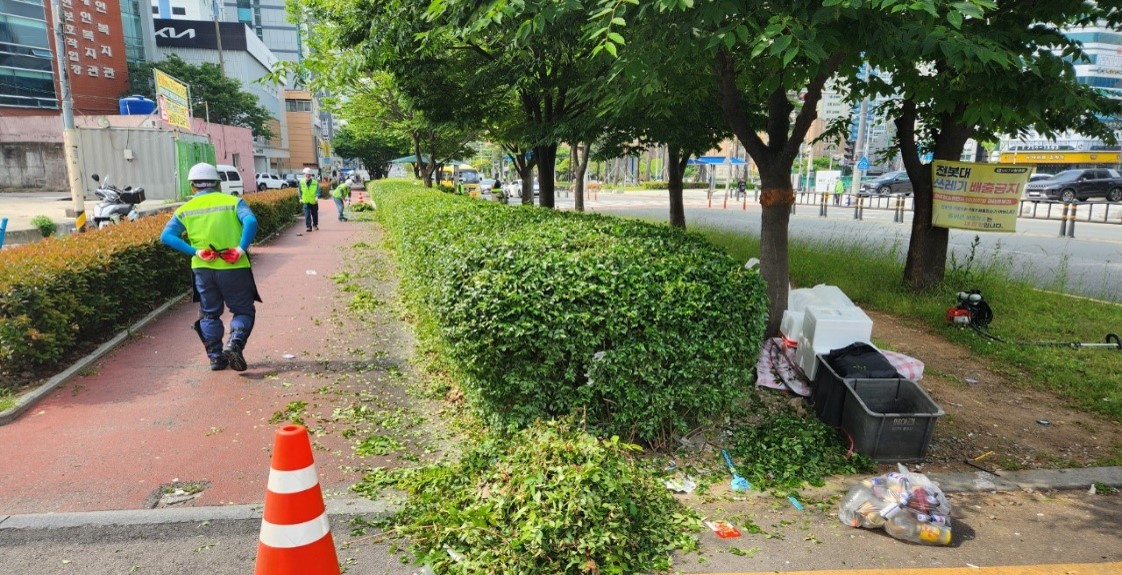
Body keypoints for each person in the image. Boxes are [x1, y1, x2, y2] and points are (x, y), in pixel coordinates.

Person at [160, 162, 261, 372]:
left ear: (192, 186)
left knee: (209, 314)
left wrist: (195, 251)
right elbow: (251, 222)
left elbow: (166, 236)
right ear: (218, 183)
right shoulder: (233, 201)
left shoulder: (184, 209)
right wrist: (240, 249)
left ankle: (216, 358)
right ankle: (234, 343)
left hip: (203, 268)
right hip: (234, 266)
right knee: (243, 310)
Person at [298, 167, 319, 232]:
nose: (307, 175)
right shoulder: (301, 182)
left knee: (314, 214)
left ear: (311, 175)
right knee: (307, 215)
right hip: (305, 201)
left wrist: (317, 196)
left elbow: (318, 190)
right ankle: (308, 227)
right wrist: (300, 198)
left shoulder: (315, 182)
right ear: (304, 174)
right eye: (306, 174)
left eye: (308, 174)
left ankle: (315, 225)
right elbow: (299, 191)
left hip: (314, 201)